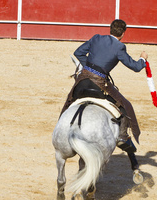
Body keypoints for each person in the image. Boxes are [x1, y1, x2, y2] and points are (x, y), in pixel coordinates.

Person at [60, 19, 148, 153]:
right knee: (125, 105)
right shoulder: (119, 47)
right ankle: (123, 137)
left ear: (110, 29)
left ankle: (60, 127)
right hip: (99, 83)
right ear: (123, 34)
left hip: (82, 79)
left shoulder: (96, 38)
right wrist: (143, 59)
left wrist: (89, 66)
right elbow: (135, 67)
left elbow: (78, 53)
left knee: (69, 101)